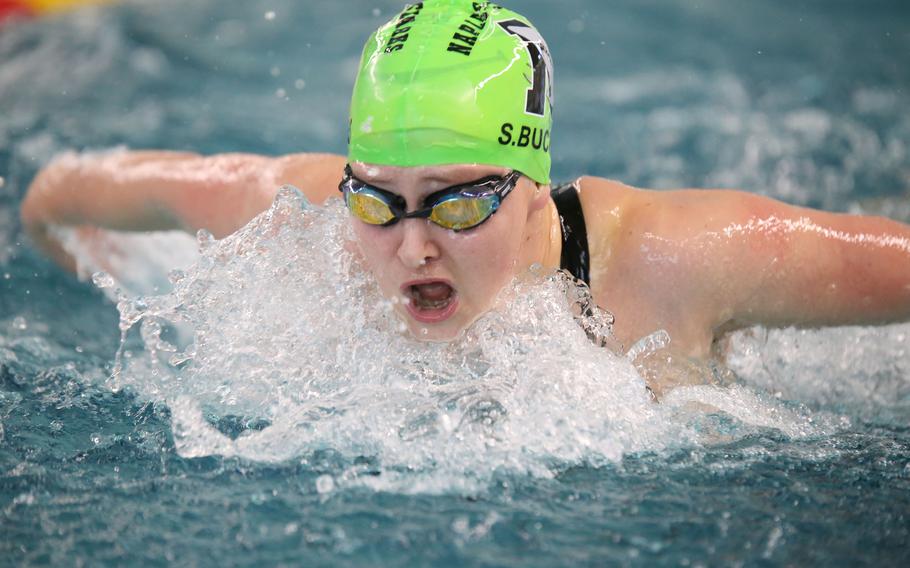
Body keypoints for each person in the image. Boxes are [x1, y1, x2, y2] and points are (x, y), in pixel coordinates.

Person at [20, 0, 910, 366]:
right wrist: (90, 263)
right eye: (377, 199)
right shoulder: (306, 212)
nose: (412, 245)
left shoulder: (673, 260)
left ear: (531, 184)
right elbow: (63, 188)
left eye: (457, 203)